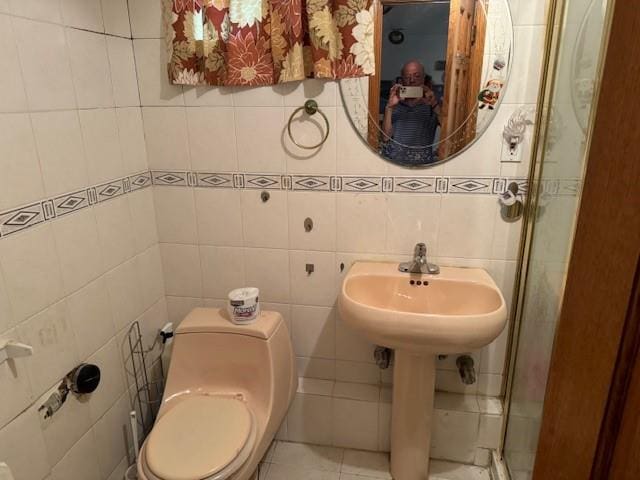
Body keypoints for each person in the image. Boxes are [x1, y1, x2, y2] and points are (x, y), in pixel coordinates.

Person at [382, 60, 441, 164]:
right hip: (394, 163)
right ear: (401, 80)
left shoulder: (431, 105)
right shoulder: (394, 105)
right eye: (407, 77)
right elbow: (385, 137)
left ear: (424, 79)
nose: (412, 80)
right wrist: (389, 107)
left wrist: (434, 104)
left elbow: (449, 129)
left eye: (417, 76)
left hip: (422, 165)